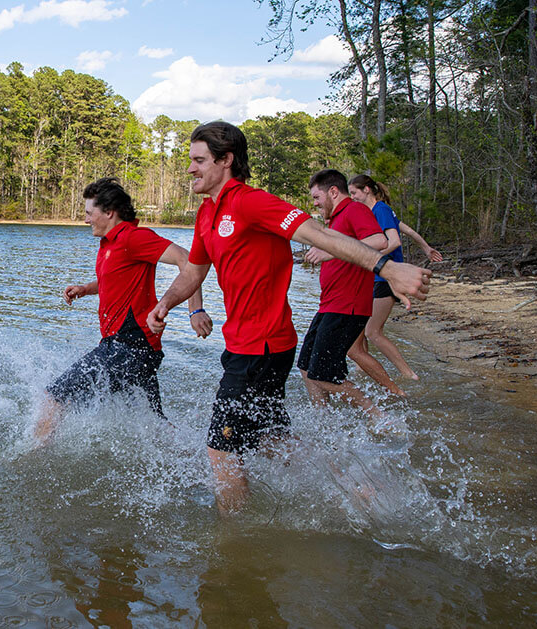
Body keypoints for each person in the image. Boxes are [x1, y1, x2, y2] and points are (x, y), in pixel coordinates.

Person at [145, 121, 431, 513]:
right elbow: (193, 272)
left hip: (261, 347)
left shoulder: (251, 202)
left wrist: (388, 268)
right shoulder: (207, 214)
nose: (190, 169)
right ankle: (358, 488)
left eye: (198, 160)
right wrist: (166, 304)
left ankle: (236, 546)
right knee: (270, 438)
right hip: (249, 344)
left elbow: (320, 235)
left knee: (220, 448)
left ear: (226, 160)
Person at [33, 177, 207, 444]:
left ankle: (33, 461)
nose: (85, 219)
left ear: (109, 212)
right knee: (154, 426)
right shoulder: (108, 245)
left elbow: (189, 260)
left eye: (89, 213)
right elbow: (116, 282)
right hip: (133, 349)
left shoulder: (133, 238)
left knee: (55, 396)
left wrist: (195, 311)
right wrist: (85, 288)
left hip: (128, 347)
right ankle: (201, 459)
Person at [298, 169, 388, 419]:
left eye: (317, 197)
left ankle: (379, 417)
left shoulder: (354, 210)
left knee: (323, 374)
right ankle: (323, 421)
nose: (315, 203)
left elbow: (379, 241)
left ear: (334, 192)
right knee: (306, 367)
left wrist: (331, 252)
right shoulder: (336, 220)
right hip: (329, 305)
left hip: (347, 306)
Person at [346, 174, 443, 383]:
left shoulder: (380, 209)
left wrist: (365, 256)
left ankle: (409, 374)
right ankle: (361, 371)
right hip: (374, 279)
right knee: (359, 332)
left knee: (373, 331)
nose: (352, 197)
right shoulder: (378, 211)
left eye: (354, 193)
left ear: (367, 190)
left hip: (386, 280)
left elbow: (395, 241)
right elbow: (407, 230)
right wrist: (426, 248)